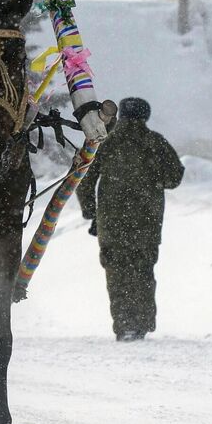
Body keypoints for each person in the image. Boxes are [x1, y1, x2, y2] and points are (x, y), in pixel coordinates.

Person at [77, 97, 184, 341]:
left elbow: (83, 178)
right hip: (147, 223)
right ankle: (142, 323)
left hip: (111, 222)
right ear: (146, 115)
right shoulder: (156, 142)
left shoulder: (105, 141)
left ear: (121, 115)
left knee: (116, 273)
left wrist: (91, 213)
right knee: (143, 272)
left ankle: (124, 324)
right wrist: (152, 177)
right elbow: (175, 178)